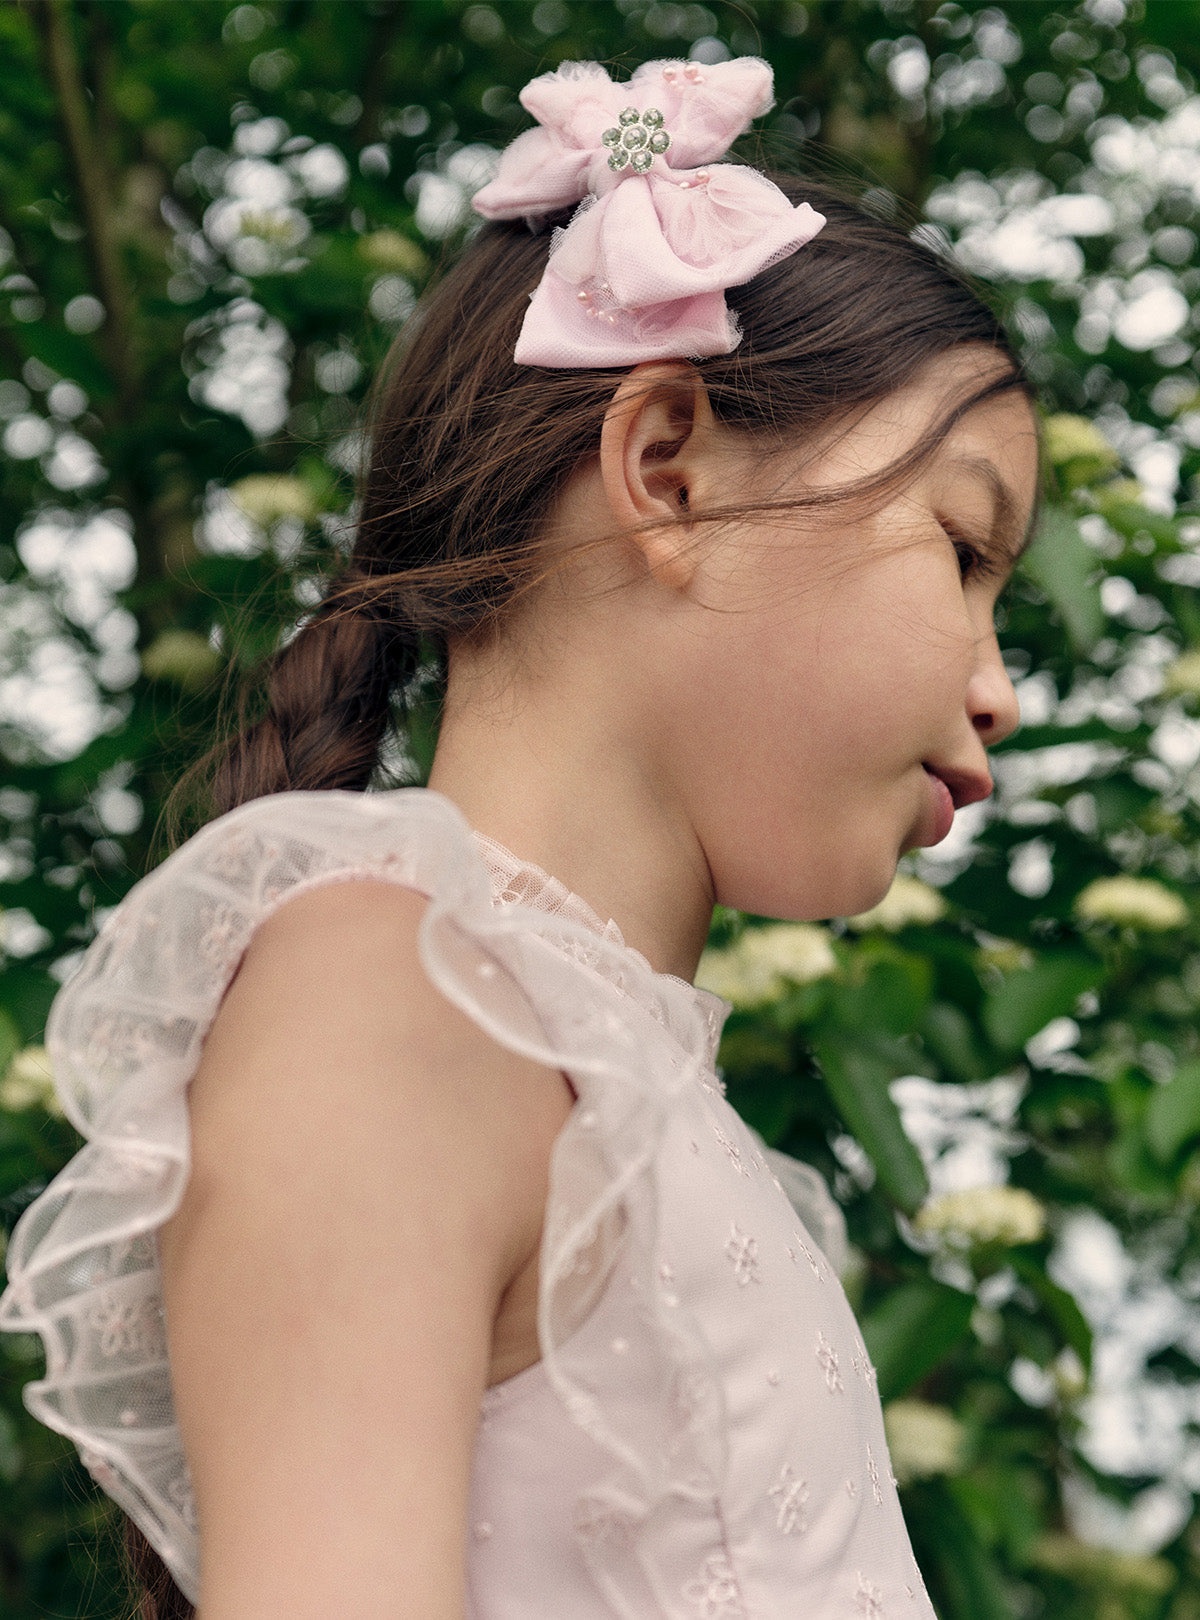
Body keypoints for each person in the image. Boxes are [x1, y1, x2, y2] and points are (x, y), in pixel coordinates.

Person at [0, 54, 1038, 1620]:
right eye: (962, 550)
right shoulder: (399, 993)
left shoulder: (599, 1077)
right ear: (666, 469)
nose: (999, 687)